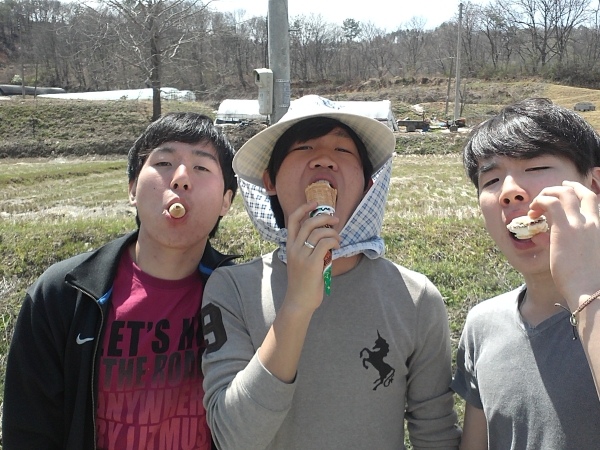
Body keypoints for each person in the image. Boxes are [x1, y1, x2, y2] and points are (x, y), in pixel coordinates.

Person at [200, 95, 461, 450]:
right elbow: (234, 438)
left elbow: (436, 432)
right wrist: (296, 306)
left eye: (343, 149)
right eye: (303, 147)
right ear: (270, 181)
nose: (323, 158)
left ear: (368, 185)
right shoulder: (233, 289)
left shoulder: (415, 298)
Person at [2, 112, 237, 450]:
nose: (181, 179)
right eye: (164, 163)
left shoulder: (241, 297)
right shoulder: (61, 294)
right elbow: (28, 432)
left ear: (226, 201)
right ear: (132, 190)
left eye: (201, 167)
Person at [452, 97, 600, 450]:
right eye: (491, 180)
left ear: (594, 187)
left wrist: (584, 289)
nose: (509, 192)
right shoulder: (483, 324)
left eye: (535, 167)